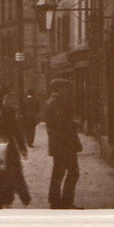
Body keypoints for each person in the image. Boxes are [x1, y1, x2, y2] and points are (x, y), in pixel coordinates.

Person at [43, 78, 82, 209]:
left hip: (58, 143)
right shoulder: (57, 103)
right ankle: (65, 201)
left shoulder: (51, 102)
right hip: (64, 143)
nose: (67, 90)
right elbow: (61, 123)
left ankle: (55, 201)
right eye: (64, 87)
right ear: (58, 88)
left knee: (58, 172)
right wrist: (74, 124)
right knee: (73, 172)